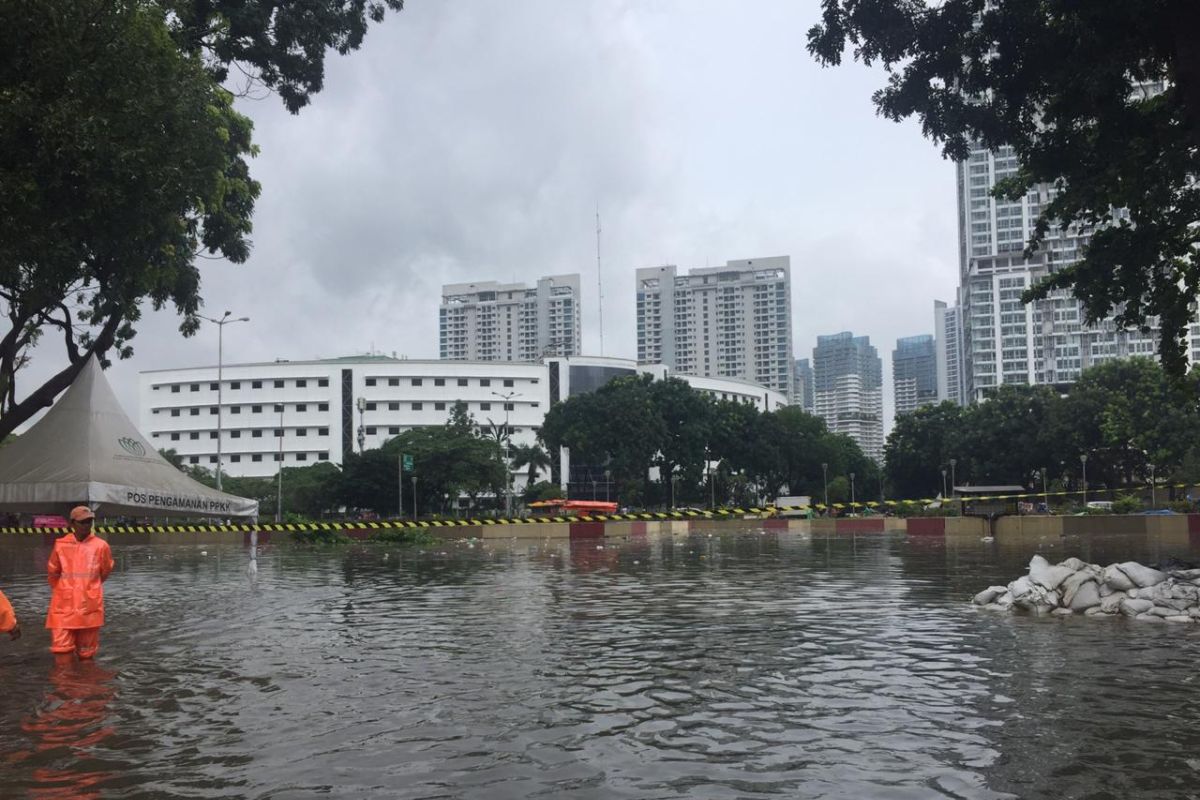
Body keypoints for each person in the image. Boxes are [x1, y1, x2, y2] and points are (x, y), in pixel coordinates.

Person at [45, 506, 114, 659]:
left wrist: (89, 588)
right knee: (61, 652)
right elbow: (52, 572)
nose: (87, 525)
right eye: (83, 522)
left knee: (87, 654)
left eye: (90, 521)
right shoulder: (60, 544)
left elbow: (106, 570)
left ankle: (85, 682)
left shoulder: (101, 546)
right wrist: (64, 591)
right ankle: (65, 683)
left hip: (89, 606)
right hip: (63, 608)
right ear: (72, 524)